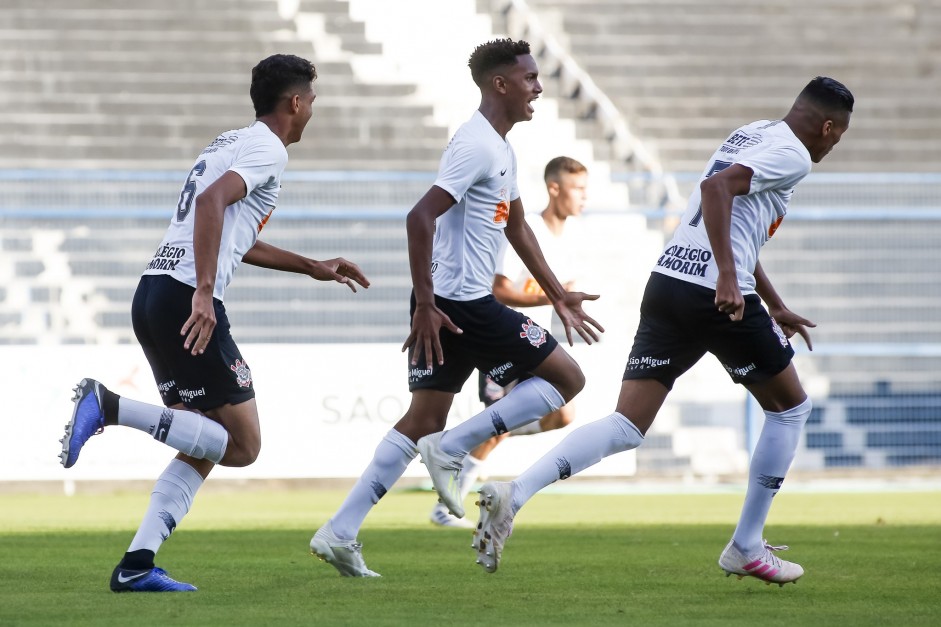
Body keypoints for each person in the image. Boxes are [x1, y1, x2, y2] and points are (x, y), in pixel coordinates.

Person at [469, 76, 854, 585]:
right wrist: (725, 275)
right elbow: (716, 191)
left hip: (668, 281)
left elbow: (735, 220)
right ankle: (746, 544)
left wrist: (775, 303)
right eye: (838, 135)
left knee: (627, 425)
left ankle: (514, 494)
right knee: (791, 409)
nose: (834, 145)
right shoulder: (795, 156)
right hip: (712, 292)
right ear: (827, 126)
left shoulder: (751, 133)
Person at [58, 54, 370, 593]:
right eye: (312, 101)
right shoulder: (268, 149)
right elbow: (211, 202)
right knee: (243, 446)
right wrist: (204, 292)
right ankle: (109, 405)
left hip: (154, 292)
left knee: (203, 444)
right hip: (185, 296)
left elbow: (230, 231)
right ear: (295, 102)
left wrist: (310, 265)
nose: (313, 111)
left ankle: (136, 565)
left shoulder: (227, 141)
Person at [309, 39, 603, 577]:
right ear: (501, 85)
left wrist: (557, 293)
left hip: (447, 301)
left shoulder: (502, 149)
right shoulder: (475, 145)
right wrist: (425, 302)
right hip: (458, 302)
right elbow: (419, 216)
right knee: (567, 379)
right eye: (530, 78)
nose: (538, 86)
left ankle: (340, 530)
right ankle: (453, 447)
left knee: (421, 418)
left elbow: (516, 226)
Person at [430, 156, 589, 528]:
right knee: (516, 421)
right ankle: (443, 504)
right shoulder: (529, 228)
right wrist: (554, 298)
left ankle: (461, 450)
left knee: (561, 415)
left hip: (535, 345)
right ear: (554, 188)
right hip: (504, 341)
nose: (584, 197)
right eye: (577, 188)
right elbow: (498, 290)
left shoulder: (568, 239)